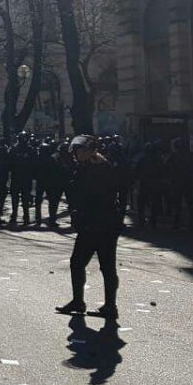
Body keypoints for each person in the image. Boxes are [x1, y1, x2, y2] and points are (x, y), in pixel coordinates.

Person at [56, 135, 129, 321]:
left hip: (94, 224)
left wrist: (80, 213)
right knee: (107, 267)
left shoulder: (92, 170)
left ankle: (80, 302)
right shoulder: (103, 166)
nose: (75, 154)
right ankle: (109, 306)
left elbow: (86, 196)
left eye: (78, 151)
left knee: (78, 263)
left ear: (87, 151)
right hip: (106, 223)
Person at [165, 138, 193, 229]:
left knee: (178, 203)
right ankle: (192, 222)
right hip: (186, 181)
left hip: (178, 182)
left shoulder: (173, 156)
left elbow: (166, 168)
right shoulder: (190, 156)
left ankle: (178, 222)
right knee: (188, 202)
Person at [134, 142, 165, 228]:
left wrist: (136, 179)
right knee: (154, 202)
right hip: (154, 184)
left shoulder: (142, 159)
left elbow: (136, 171)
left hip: (144, 184)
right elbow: (163, 171)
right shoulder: (158, 160)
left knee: (141, 203)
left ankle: (142, 220)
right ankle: (153, 221)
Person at [9, 134, 36, 226]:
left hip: (18, 177)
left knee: (17, 199)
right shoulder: (30, 150)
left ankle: (16, 216)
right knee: (24, 198)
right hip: (23, 177)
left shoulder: (14, 149)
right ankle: (25, 217)